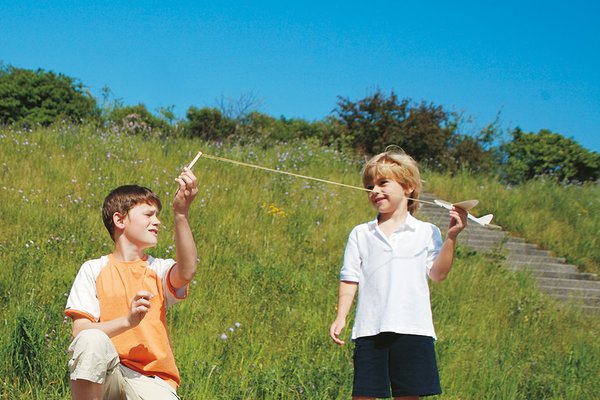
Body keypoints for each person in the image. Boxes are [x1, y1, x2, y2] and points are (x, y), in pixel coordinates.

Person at [329, 149, 467, 400]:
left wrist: (451, 237)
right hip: (369, 329)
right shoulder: (361, 233)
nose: (374, 191)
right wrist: (341, 316)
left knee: (408, 396)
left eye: (383, 183)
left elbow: (438, 274)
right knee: (363, 396)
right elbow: (350, 277)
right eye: (370, 186)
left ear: (408, 187)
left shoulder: (427, 231)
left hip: (413, 328)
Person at [64, 167, 198, 400]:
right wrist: (128, 321)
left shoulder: (158, 269)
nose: (157, 222)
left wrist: (181, 213)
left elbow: (186, 271)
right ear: (120, 219)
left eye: (158, 215)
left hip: (151, 379)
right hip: (106, 372)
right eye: (148, 215)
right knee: (90, 340)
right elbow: (80, 331)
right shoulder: (93, 269)